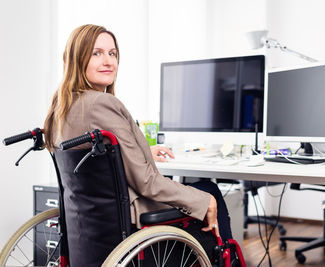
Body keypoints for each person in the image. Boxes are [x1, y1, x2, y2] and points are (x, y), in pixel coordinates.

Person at [43, 24, 232, 241]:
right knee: (209, 191)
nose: (108, 61)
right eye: (97, 53)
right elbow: (147, 182)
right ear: (77, 58)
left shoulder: (62, 106)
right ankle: (227, 258)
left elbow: (99, 158)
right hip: (132, 217)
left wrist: (139, 151)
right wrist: (205, 201)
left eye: (112, 54)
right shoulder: (102, 104)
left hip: (91, 222)